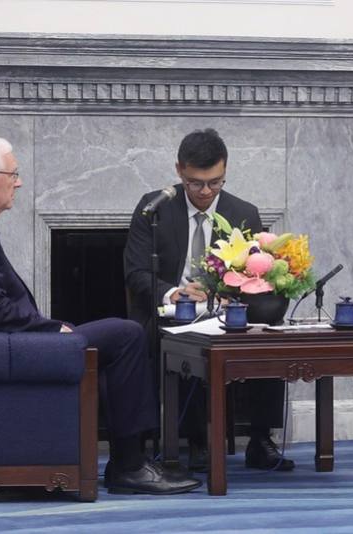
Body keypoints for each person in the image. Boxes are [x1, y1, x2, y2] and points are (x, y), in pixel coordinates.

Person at [0, 136, 201, 496]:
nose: (19, 182)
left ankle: (130, 461)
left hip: (3, 343)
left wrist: (50, 326)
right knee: (127, 334)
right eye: (14, 174)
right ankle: (130, 465)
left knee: (118, 337)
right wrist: (53, 328)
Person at [124, 128, 294, 472]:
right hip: (173, 311)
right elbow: (136, 272)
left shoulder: (243, 213)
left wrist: (234, 297)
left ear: (225, 170)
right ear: (179, 171)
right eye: (195, 183)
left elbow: (255, 275)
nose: (205, 192)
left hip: (226, 313)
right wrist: (173, 291)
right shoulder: (154, 207)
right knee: (186, 336)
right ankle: (197, 441)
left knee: (269, 336)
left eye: (214, 183)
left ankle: (261, 440)